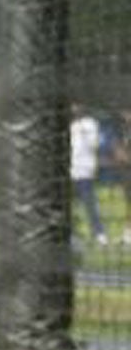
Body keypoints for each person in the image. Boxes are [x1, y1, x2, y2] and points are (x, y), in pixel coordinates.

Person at [70, 103, 107, 247]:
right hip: (71, 171)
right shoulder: (70, 125)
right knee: (71, 207)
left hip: (85, 171)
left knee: (90, 205)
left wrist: (82, 130)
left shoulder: (90, 124)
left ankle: (99, 234)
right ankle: (74, 235)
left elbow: (94, 145)